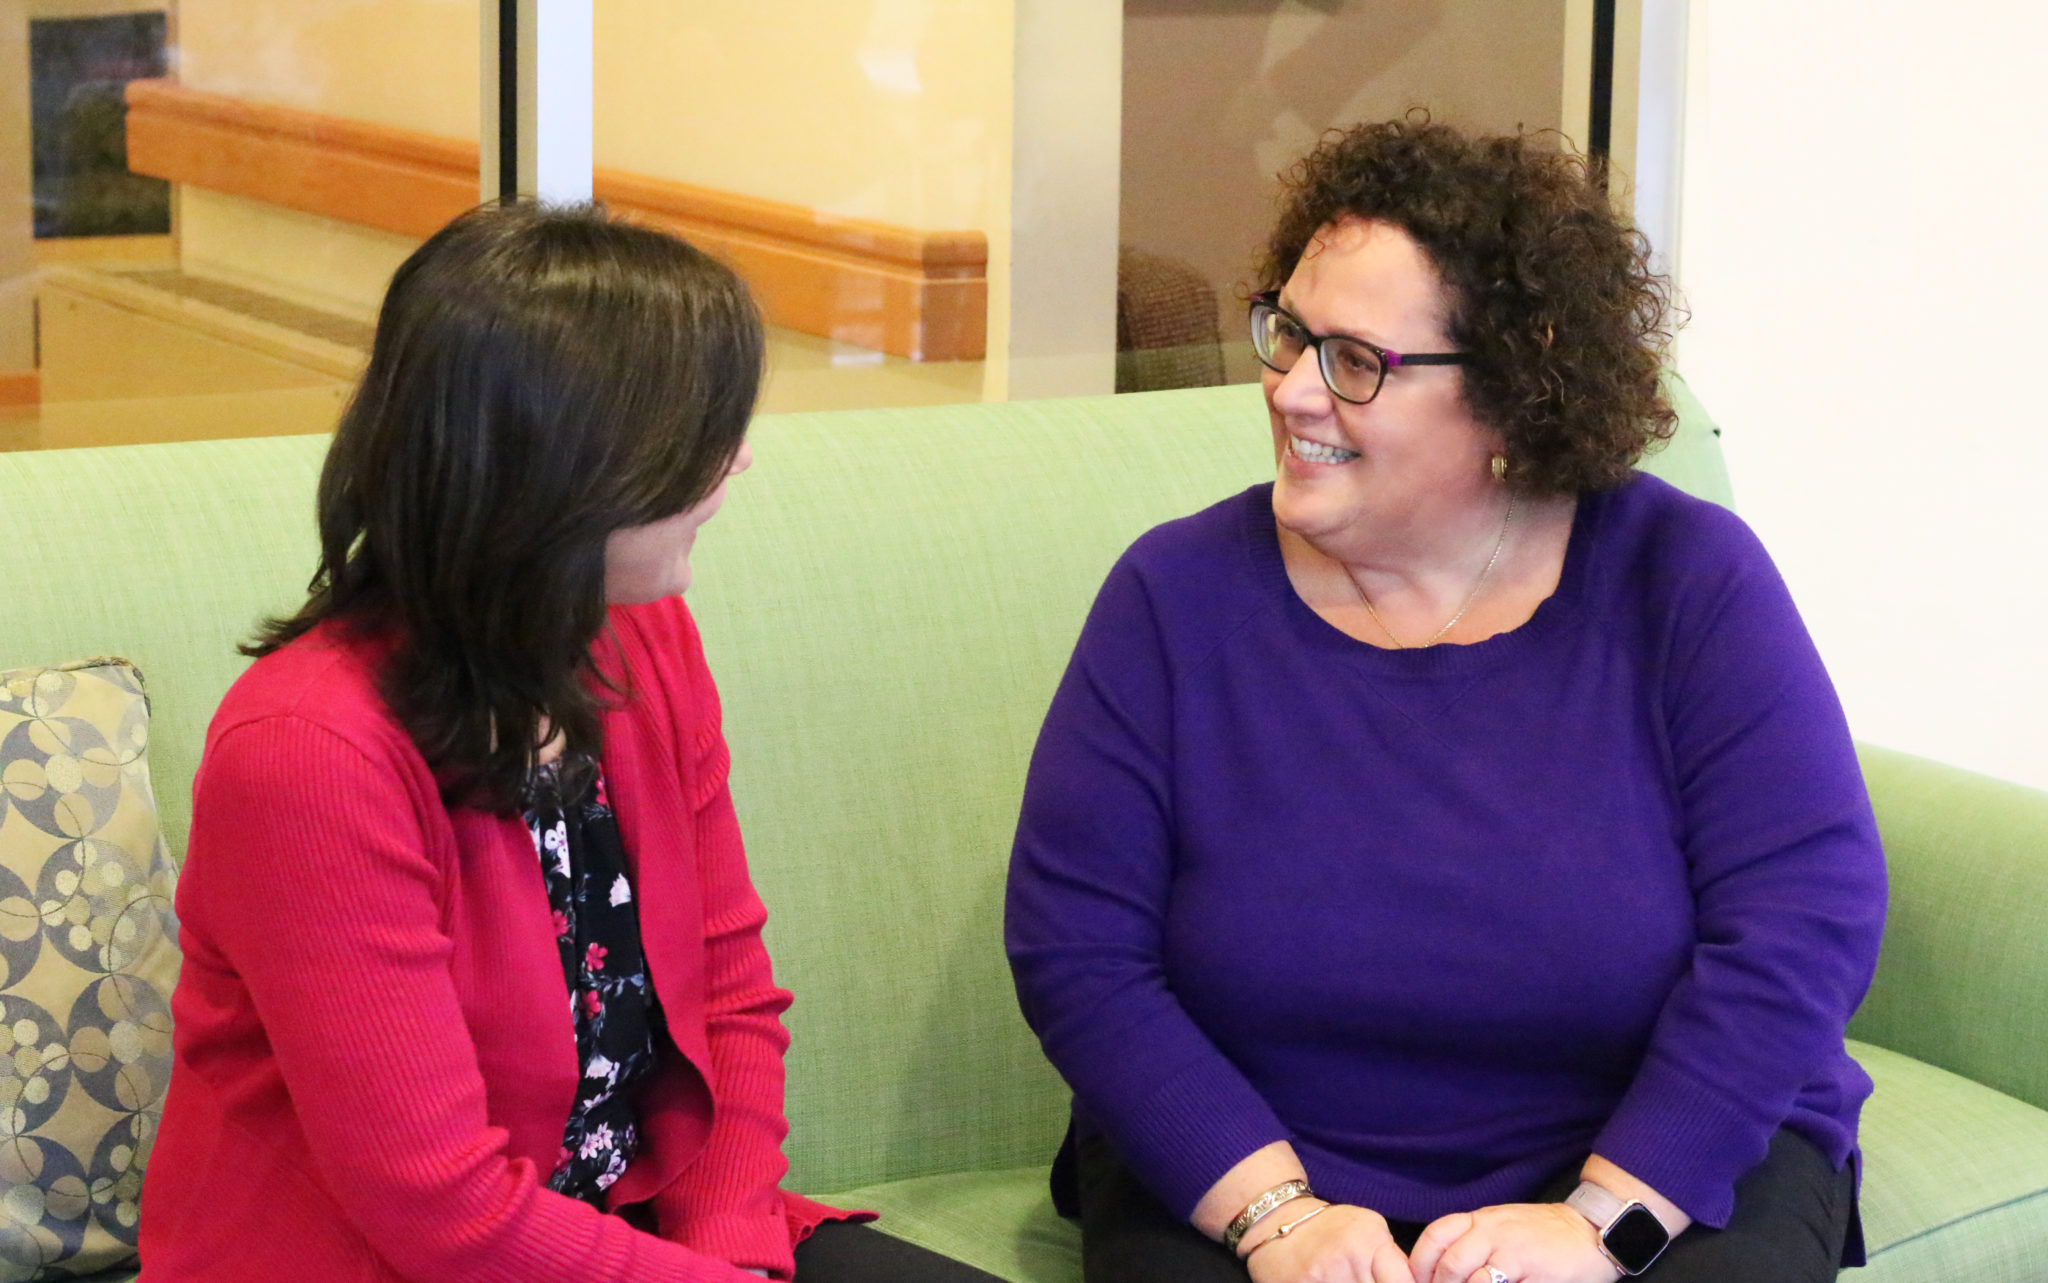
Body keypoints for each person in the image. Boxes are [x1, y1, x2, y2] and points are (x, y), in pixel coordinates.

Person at [1005, 119, 1887, 1283]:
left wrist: (1600, 1219)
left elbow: (1801, 923)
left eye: (1355, 361)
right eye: (1288, 333)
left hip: (1653, 1163)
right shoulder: (1171, 596)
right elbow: (1077, 949)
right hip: (1253, 1175)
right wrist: (1276, 1214)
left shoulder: (1684, 580)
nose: (1291, 392)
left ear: (1509, 393)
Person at [141, 203, 999, 1283]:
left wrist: (732, 1246)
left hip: (621, 1231)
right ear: (566, 469)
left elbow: (729, 990)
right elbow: (441, 1212)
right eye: (700, 436)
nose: (736, 464)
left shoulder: (640, 633)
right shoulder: (309, 751)